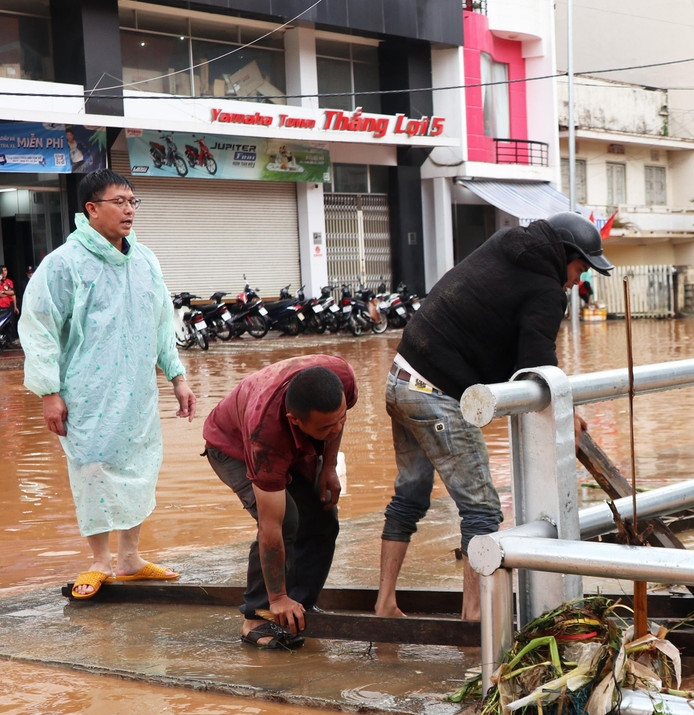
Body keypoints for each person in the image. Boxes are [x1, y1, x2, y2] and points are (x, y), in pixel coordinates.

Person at [374, 211, 612, 620]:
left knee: (410, 495)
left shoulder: (504, 245)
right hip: (436, 393)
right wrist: (566, 414)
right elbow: (538, 361)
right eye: (578, 268)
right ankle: (475, 619)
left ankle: (384, 603)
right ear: (565, 255)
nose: (577, 280)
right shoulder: (545, 289)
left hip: (400, 377)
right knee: (482, 510)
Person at [19, 169, 194, 599]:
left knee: (139, 466)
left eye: (134, 201)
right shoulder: (63, 264)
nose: (130, 209)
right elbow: (38, 327)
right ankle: (100, 561)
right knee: (92, 468)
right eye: (120, 201)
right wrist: (49, 391)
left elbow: (160, 323)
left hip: (136, 390)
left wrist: (177, 376)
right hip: (86, 393)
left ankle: (131, 559)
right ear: (92, 209)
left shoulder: (144, 260)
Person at [203, 357, 355, 650]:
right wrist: (276, 598)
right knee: (287, 521)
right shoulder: (266, 435)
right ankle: (257, 616)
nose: (336, 430)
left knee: (323, 514)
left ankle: (300, 605)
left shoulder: (342, 377)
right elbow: (271, 526)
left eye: (341, 418)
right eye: (326, 427)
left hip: (294, 442)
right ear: (294, 420)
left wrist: (329, 466)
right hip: (231, 446)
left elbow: (334, 421)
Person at [0, 267, 14, 343]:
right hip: (0, 307)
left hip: (7, 306)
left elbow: (12, 292)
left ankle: (8, 342)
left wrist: (3, 292)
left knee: (8, 325)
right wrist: (5, 292)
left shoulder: (6, 282)